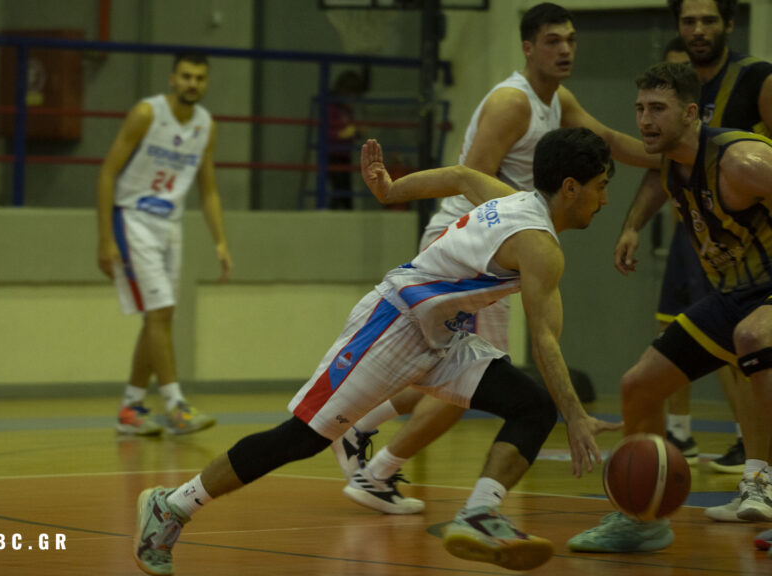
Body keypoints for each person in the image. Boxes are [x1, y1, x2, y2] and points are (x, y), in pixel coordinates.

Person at [133, 127, 622, 575]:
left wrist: (392, 191)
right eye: (601, 186)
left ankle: (478, 514)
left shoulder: (516, 203)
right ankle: (172, 505)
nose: (605, 199)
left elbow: (461, 176)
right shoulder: (540, 246)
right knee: (302, 438)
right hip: (395, 323)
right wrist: (577, 416)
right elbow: (544, 340)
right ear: (571, 187)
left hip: (442, 337)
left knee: (533, 406)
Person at [330, 2, 658, 515]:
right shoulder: (512, 103)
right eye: (552, 40)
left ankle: (359, 431)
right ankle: (376, 471)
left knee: (445, 368)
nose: (565, 49)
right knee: (480, 378)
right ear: (527, 48)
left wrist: (676, 155)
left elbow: (610, 141)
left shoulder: (558, 99)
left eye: (571, 39)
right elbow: (471, 177)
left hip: (497, 248)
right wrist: (514, 239)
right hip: (475, 246)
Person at [566, 61, 772, 553]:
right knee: (638, 386)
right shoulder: (668, 159)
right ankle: (643, 519)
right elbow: (616, 146)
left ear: (692, 113)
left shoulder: (742, 162)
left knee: (753, 337)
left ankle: (762, 480)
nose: (645, 120)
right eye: (640, 108)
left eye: (657, 108)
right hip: (733, 296)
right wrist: (631, 226)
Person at [660, 0, 772, 485]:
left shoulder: (757, 78)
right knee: (708, 343)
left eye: (709, 19)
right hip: (706, 234)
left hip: (758, 246)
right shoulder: (683, 89)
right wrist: (631, 224)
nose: (698, 29)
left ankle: (756, 459)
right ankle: (690, 438)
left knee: (749, 340)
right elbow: (651, 159)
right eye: (689, 20)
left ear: (729, 23)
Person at [96, 52, 232, 436]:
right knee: (160, 311)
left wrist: (220, 241)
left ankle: (131, 408)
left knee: (159, 316)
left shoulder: (205, 125)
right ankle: (176, 405)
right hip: (133, 218)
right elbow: (107, 174)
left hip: (170, 225)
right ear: (172, 78)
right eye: (186, 76)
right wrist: (105, 238)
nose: (193, 83)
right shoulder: (146, 114)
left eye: (200, 78)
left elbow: (208, 190)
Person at [326, 70, 365, 210]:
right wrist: (344, 133)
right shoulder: (331, 108)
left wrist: (357, 132)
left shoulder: (347, 111)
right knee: (339, 189)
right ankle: (336, 211)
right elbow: (328, 132)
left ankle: (344, 211)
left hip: (345, 155)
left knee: (345, 190)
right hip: (333, 155)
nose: (353, 100)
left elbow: (350, 129)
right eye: (350, 96)